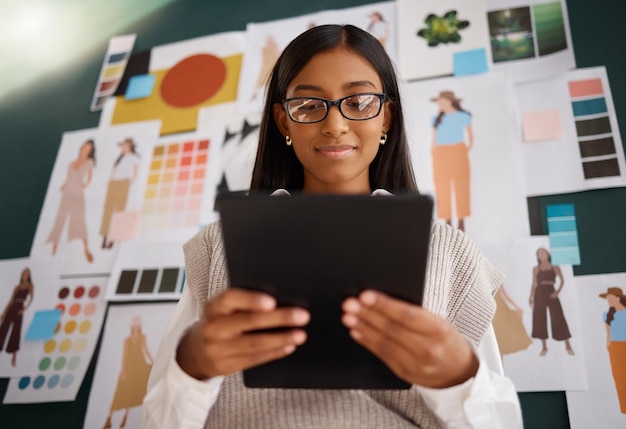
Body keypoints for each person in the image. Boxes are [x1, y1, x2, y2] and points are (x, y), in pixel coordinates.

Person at [143, 24, 522, 428]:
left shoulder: (451, 254)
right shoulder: (217, 247)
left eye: (359, 101)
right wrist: (194, 365)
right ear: (284, 122)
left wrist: (458, 377)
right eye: (308, 104)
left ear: (387, 119)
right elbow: (157, 420)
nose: (336, 124)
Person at [47, 139, 96, 263]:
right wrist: (63, 186)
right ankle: (53, 248)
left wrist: (85, 184)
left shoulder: (89, 162)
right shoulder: (71, 163)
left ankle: (86, 248)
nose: (86, 150)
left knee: (79, 219)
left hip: (78, 194)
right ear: (81, 148)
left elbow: (90, 175)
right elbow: (68, 178)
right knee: (60, 218)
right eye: (85, 147)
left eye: (88, 149)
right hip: (67, 193)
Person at [430, 90, 473, 232]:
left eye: (442, 102)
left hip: (458, 150)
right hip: (441, 152)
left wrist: (466, 149)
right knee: (442, 186)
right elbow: (434, 138)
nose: (440, 105)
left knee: (461, 185)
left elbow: (470, 135)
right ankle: (447, 219)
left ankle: (461, 220)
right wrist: (434, 151)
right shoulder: (437, 119)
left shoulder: (463, 116)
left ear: (449, 101)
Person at [104, 316, 154, 429]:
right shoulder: (127, 340)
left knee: (134, 391)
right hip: (129, 366)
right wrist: (123, 370)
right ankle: (109, 418)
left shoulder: (142, 337)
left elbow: (146, 350)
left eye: (138, 325)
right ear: (132, 327)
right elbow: (124, 355)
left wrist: (154, 362)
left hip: (140, 365)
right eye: (135, 325)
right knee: (121, 391)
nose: (136, 327)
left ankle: (125, 418)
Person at [529, 247, 574, 356]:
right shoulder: (536, 268)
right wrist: (530, 298)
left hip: (551, 291)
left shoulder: (555, 266)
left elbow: (562, 281)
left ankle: (567, 344)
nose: (542, 255)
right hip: (539, 293)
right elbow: (534, 284)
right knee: (539, 319)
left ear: (548, 254)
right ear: (537, 257)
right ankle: (544, 347)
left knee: (558, 316)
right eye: (539, 254)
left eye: (543, 253)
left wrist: (557, 292)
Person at [100, 138, 139, 249]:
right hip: (114, 183)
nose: (122, 147)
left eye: (124, 145)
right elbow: (113, 170)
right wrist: (110, 181)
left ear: (129, 146)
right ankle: (104, 237)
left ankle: (113, 239)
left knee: (119, 211)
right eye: (122, 145)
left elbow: (135, 171)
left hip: (123, 183)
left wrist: (130, 181)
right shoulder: (119, 158)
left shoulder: (133, 158)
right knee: (108, 210)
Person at [0, 268, 34, 367]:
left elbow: (31, 299)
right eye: (24, 273)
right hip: (12, 307)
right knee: (3, 328)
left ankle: (14, 356)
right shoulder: (17, 287)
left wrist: (24, 309)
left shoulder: (30, 286)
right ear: (21, 275)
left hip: (20, 307)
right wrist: (3, 314)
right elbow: (10, 301)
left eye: (27, 273)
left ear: (29, 275)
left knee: (16, 330)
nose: (25, 275)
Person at [599, 287, 626, 413]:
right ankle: (624, 407)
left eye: (610, 298)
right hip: (615, 348)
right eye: (607, 299)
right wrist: (608, 345)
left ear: (618, 298)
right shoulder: (608, 314)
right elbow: (608, 331)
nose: (609, 301)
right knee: (619, 377)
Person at [492, 283, 532, 356]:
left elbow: (505, 296)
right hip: (493, 309)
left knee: (503, 334)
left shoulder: (498, 278)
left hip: (500, 308)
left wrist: (516, 307)